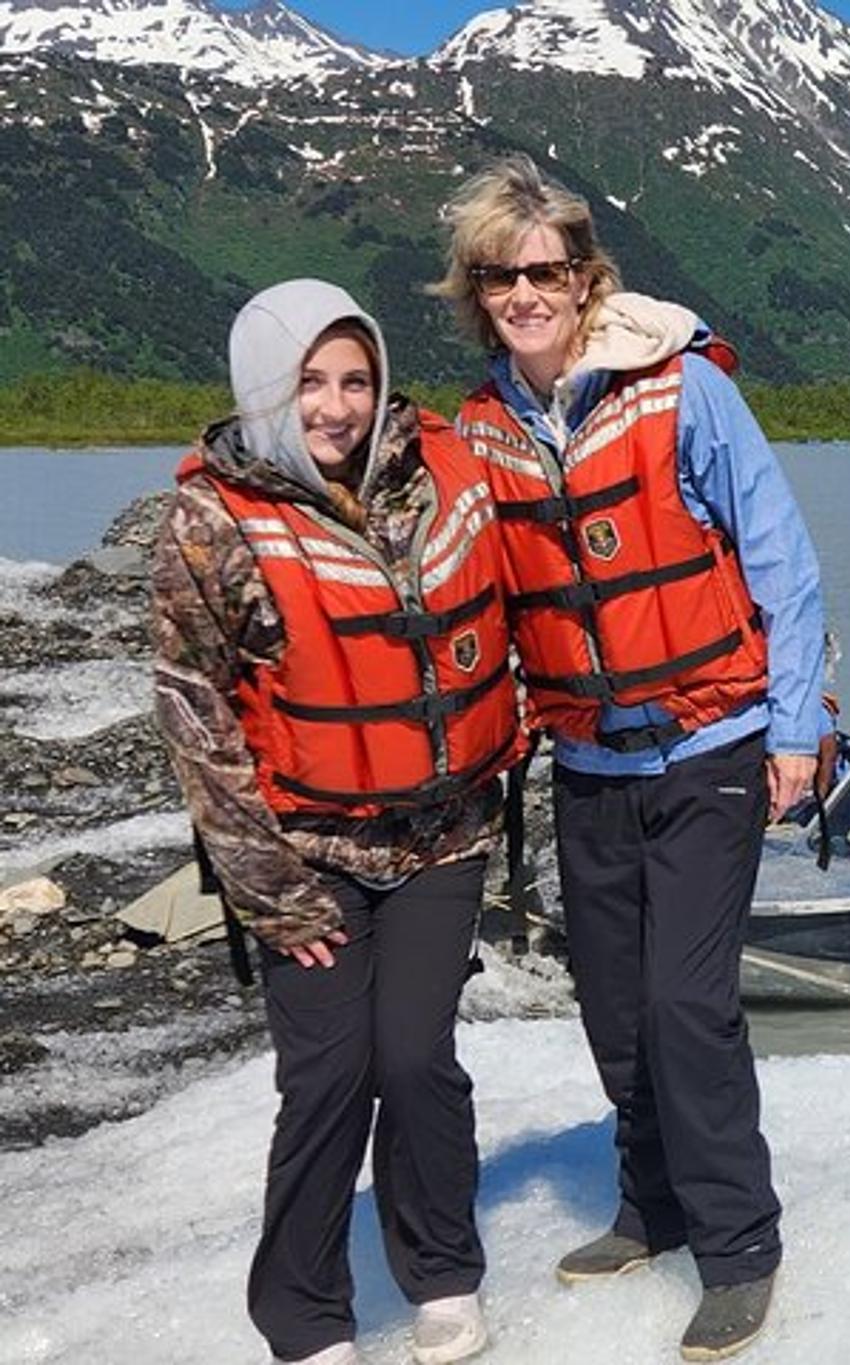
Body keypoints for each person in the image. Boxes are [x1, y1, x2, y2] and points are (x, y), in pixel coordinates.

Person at [435, 155, 823, 1362]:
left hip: (712, 740)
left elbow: (780, 557)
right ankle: (648, 1202)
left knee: (686, 1002)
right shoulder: (483, 430)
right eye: (503, 275)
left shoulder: (680, 394)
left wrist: (798, 729)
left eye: (546, 269)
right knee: (612, 1007)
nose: (526, 291)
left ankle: (738, 1244)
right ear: (478, 290)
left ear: (585, 277)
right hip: (588, 762)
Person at [151, 280, 519, 1365]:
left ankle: (442, 1274)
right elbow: (193, 713)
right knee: (326, 1080)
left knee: (415, 1062)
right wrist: (268, 889)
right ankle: (302, 1316)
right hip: (302, 856)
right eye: (307, 381)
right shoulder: (211, 519)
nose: (336, 406)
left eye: (356, 379)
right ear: (262, 385)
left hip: (442, 836)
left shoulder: (437, 476)